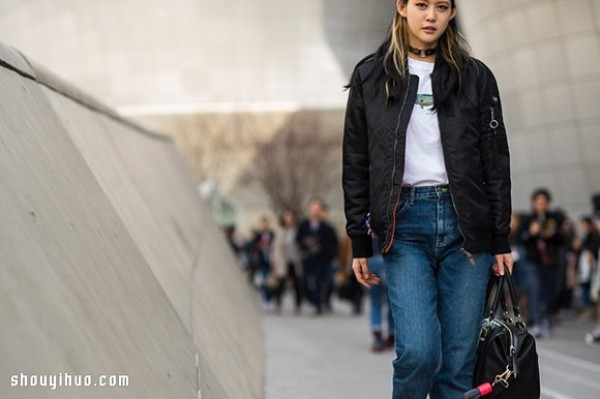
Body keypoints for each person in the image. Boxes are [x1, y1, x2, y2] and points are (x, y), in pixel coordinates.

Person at [342, 1, 513, 398]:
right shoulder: (371, 75)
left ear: (453, 12)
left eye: (441, 6)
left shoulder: (475, 77)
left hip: (467, 230)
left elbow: (495, 159)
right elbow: (356, 162)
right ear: (401, 7)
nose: (431, 15)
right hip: (404, 226)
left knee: (456, 366)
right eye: (421, 5)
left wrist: (500, 236)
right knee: (418, 354)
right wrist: (359, 239)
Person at [520, 189, 564, 337]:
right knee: (535, 290)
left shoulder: (554, 218)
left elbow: (562, 240)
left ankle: (547, 320)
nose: (541, 206)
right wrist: (532, 233)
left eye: (544, 203)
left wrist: (553, 235)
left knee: (549, 292)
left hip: (550, 261)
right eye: (539, 203)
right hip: (533, 261)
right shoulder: (527, 219)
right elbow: (522, 240)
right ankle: (538, 322)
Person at [296, 198, 339, 315]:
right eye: (313, 209)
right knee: (305, 281)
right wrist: (306, 243)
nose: (315, 212)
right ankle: (310, 300)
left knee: (319, 282)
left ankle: (318, 304)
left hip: (321, 260)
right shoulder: (304, 225)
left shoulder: (327, 227)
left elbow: (333, 244)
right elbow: (299, 239)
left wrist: (323, 249)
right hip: (307, 258)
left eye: (317, 209)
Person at [271, 210, 303, 314]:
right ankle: (278, 304)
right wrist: (274, 262)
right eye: (286, 218)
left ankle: (298, 305)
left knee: (297, 284)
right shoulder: (280, 231)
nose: (288, 220)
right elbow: (276, 248)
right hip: (283, 262)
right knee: (280, 284)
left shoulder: (297, 231)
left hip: (294, 261)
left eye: (290, 218)